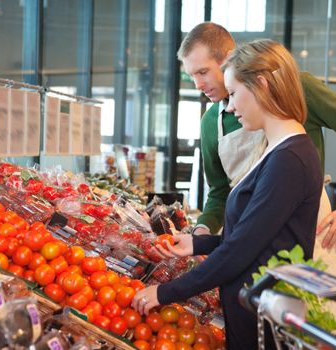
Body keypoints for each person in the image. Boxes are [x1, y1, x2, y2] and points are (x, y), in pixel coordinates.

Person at [132, 39, 323, 349]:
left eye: (233, 94)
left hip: (263, 317)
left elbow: (240, 251)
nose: (230, 106)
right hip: (253, 306)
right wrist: (196, 243)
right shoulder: (277, 151)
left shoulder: (289, 160)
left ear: (261, 84)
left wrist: (166, 292)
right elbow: (253, 237)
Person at [181, 23, 336, 271]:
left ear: (227, 60)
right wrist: (201, 233)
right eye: (191, 76)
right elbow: (220, 193)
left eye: (202, 72)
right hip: (249, 237)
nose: (197, 85)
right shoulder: (210, 122)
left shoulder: (296, 89)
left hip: (309, 233)